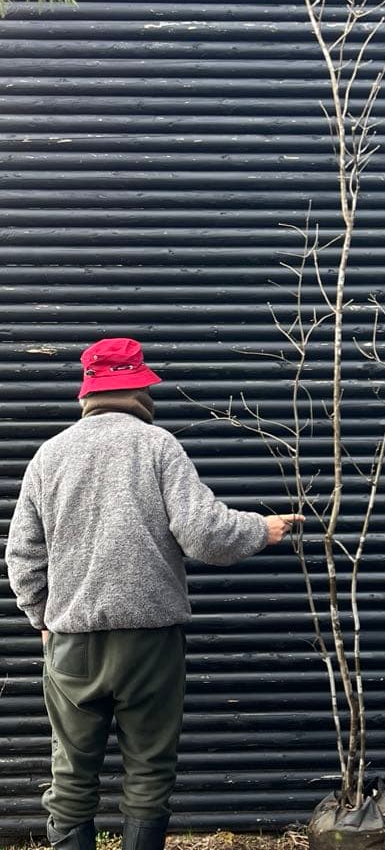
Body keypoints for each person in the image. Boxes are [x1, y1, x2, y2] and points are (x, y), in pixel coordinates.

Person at [5, 337, 304, 850]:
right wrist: (263, 528)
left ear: (88, 390)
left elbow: (22, 557)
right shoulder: (158, 446)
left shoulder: (48, 456)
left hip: (73, 643)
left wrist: (42, 617)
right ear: (140, 386)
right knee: (147, 778)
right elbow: (205, 534)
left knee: (72, 780)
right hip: (150, 643)